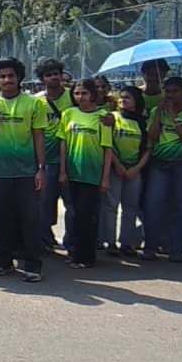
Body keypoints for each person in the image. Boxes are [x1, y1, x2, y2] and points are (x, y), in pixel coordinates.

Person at [0, 58, 48, 282]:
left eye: (11, 76)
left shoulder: (33, 103)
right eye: (2, 77)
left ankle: (32, 264)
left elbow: (39, 137)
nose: (7, 80)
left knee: (30, 218)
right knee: (2, 218)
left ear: (19, 78)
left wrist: (40, 169)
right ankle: (4, 261)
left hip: (26, 171)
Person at [144, 76, 182, 263]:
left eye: (175, 91)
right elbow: (152, 136)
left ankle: (176, 249)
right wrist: (159, 115)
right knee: (153, 205)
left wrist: (174, 117)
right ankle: (150, 247)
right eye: (167, 91)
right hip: (159, 164)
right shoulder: (157, 111)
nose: (171, 95)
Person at [57, 78, 112, 269]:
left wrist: (105, 178)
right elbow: (63, 143)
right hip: (73, 172)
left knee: (87, 216)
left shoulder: (103, 116)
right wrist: (63, 171)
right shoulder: (69, 114)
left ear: (93, 94)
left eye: (84, 93)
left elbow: (107, 148)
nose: (80, 97)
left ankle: (86, 257)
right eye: (76, 93)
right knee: (74, 215)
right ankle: (74, 252)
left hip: (92, 173)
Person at [102, 86, 149, 257]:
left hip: (134, 170)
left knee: (130, 207)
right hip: (115, 168)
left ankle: (127, 243)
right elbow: (107, 143)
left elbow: (148, 149)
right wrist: (118, 165)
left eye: (127, 97)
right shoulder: (112, 118)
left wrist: (136, 168)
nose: (123, 100)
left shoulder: (143, 122)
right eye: (121, 97)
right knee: (111, 206)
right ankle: (110, 242)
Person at [35, 59, 76, 255]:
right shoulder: (37, 101)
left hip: (72, 159)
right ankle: (45, 240)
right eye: (49, 75)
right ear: (42, 79)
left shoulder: (74, 96)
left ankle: (71, 242)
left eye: (56, 73)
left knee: (72, 205)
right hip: (47, 160)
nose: (53, 77)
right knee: (44, 204)